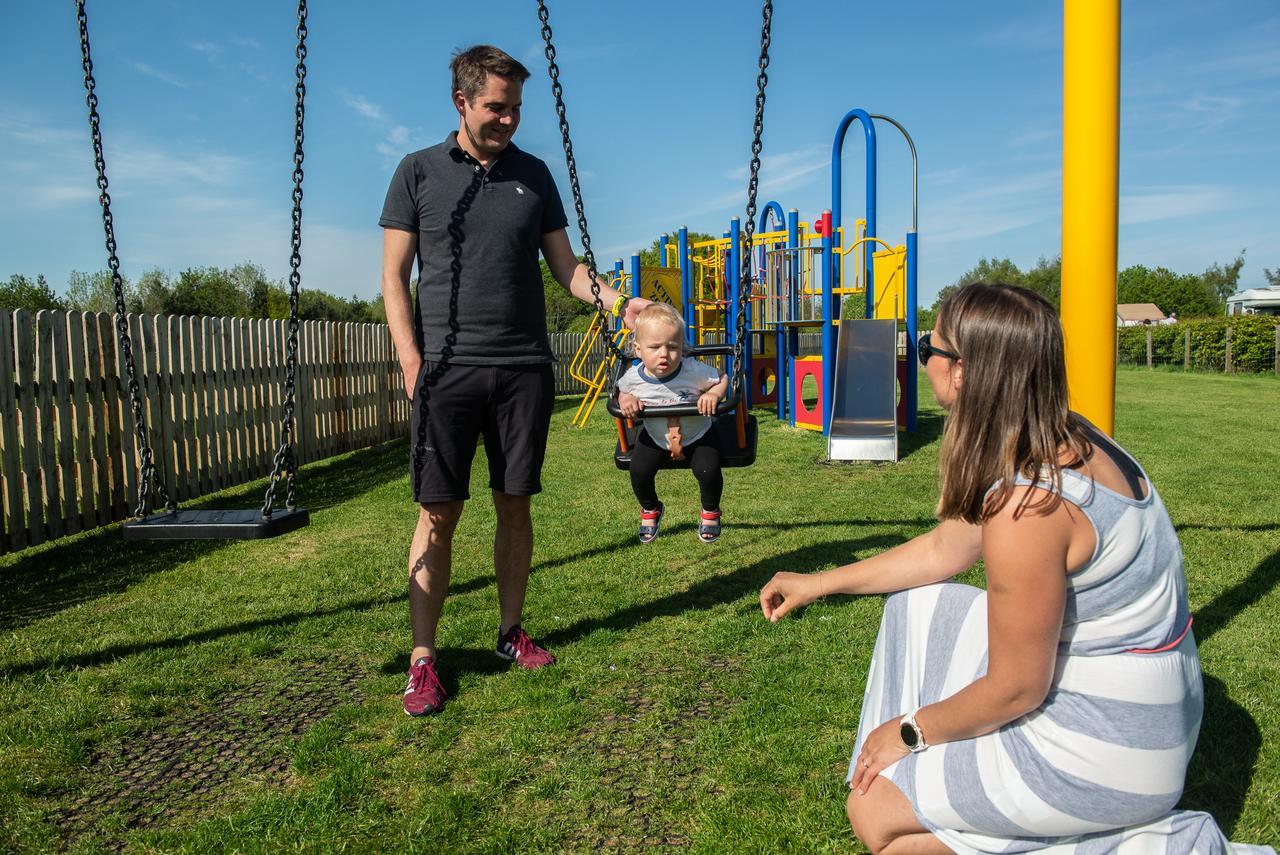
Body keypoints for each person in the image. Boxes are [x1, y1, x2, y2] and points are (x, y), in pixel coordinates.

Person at [758, 284, 1275, 854]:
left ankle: (1157, 844)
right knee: (919, 604)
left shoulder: (1026, 506)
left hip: (1113, 750)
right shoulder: (1066, 434)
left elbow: (1017, 687)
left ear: (963, 373)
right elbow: (942, 553)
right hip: (1150, 707)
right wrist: (820, 583)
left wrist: (909, 732)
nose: (922, 354)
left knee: (876, 817)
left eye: (931, 344)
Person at [379, 45, 650, 717]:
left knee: (514, 504)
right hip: (448, 369)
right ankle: (422, 660)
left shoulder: (534, 174)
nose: (508, 119)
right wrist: (411, 361)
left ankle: (509, 631)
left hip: (524, 367)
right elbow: (392, 277)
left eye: (516, 108)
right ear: (461, 102)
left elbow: (567, 269)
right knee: (438, 513)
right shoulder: (417, 172)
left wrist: (619, 301)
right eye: (497, 106)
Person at [616, 303, 729, 544]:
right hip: (656, 437)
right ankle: (650, 508)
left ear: (683, 348)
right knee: (639, 470)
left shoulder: (692, 370)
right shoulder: (634, 377)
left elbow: (722, 378)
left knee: (708, 469)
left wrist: (713, 394)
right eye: (655, 347)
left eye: (673, 347)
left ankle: (710, 511)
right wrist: (626, 399)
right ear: (638, 349)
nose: (664, 354)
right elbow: (621, 390)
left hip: (698, 435)